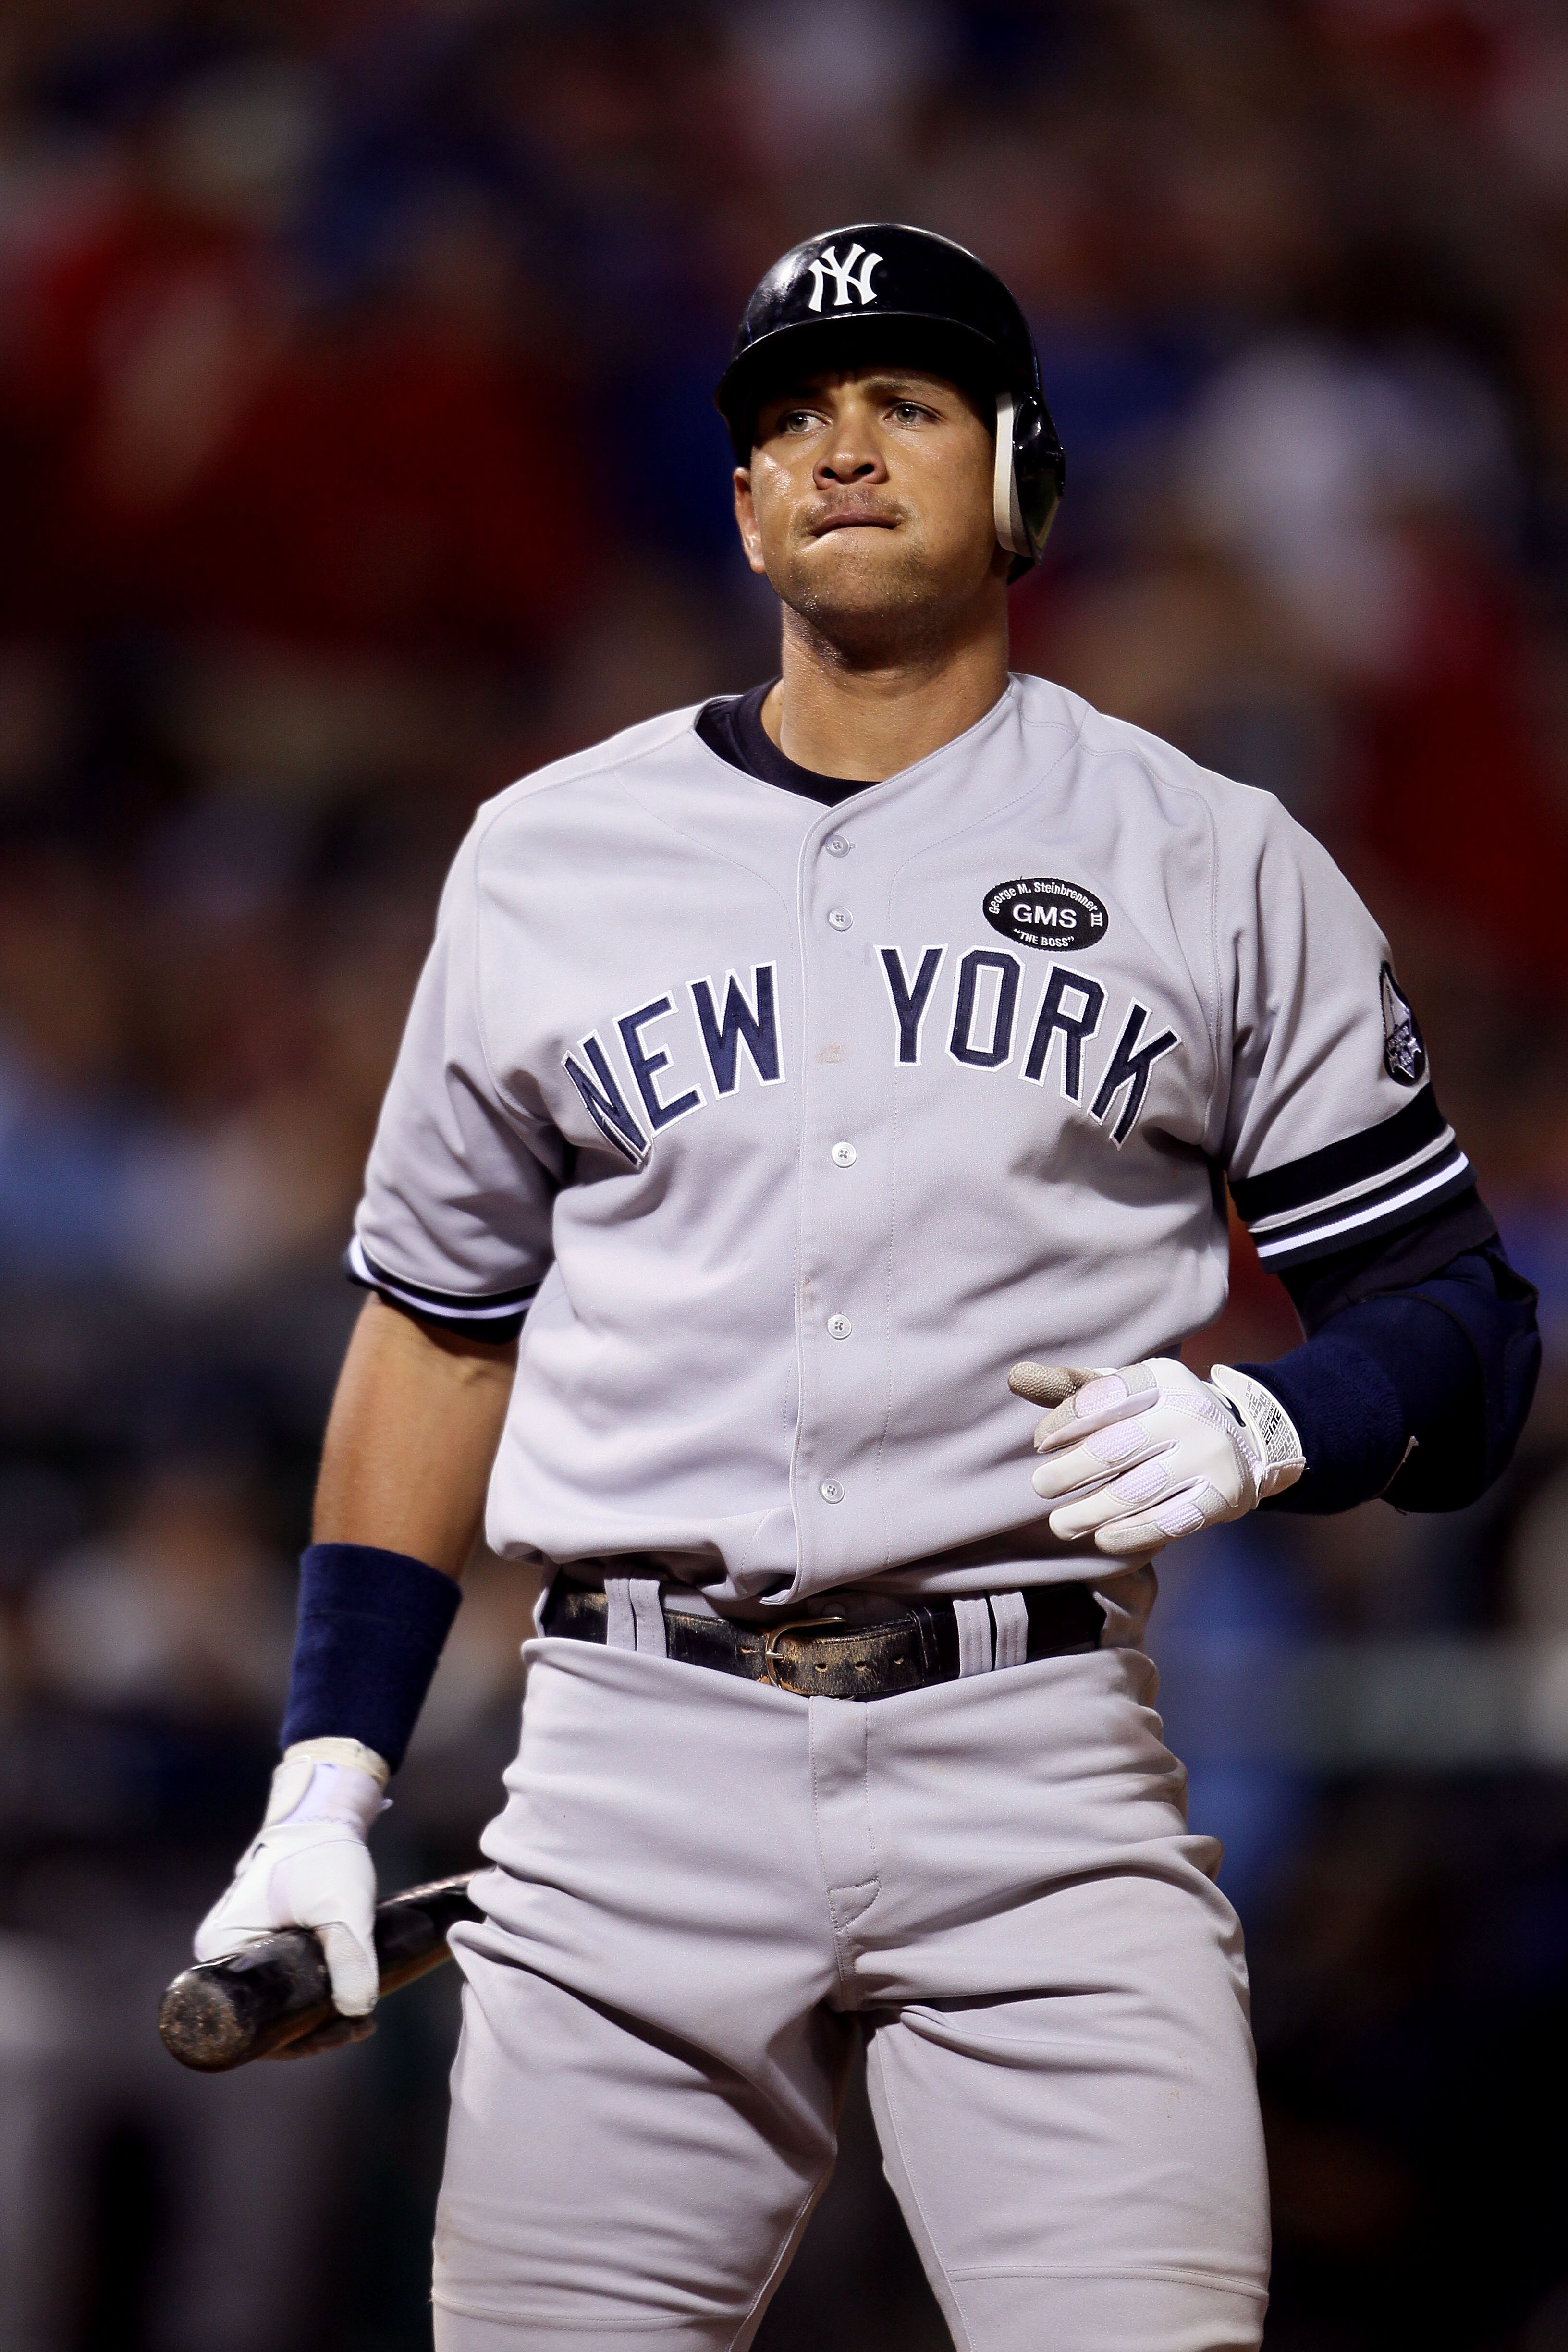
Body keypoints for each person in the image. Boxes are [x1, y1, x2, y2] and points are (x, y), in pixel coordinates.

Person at [192, 226, 1540, 2352]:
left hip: (1038, 1762)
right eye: (793, 420)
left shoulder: (1208, 853)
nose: (840, 448)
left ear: (1021, 478)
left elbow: (1466, 1331)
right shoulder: (546, 855)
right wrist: (325, 1780)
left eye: (906, 403)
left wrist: (1279, 1416)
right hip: (628, 1771)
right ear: (743, 508)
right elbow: (440, 1330)